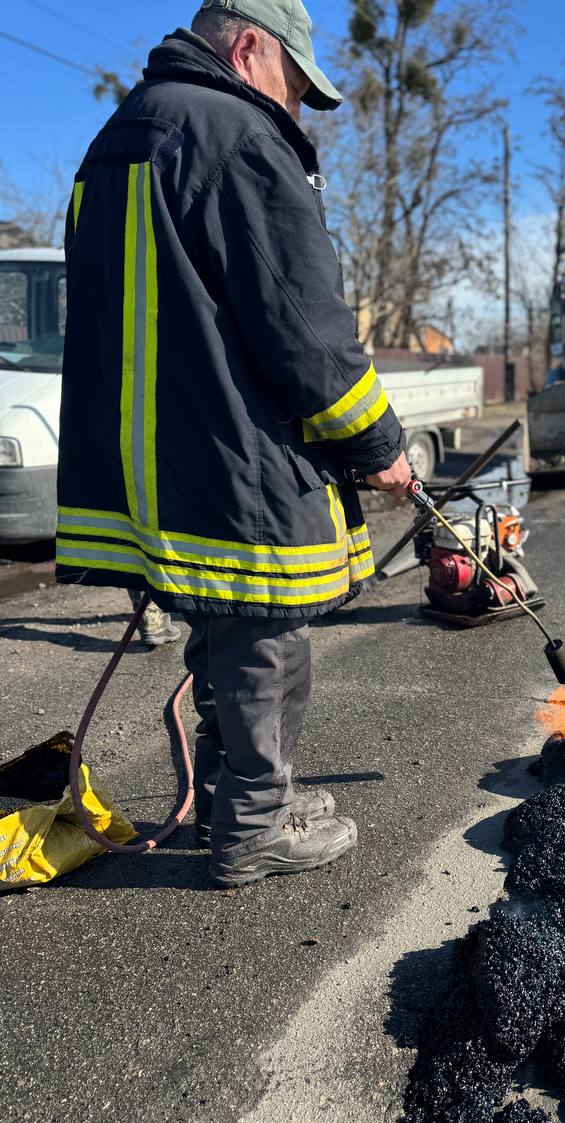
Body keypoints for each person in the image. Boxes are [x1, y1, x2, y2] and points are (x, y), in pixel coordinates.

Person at [56, 0, 411, 888]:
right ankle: (253, 827)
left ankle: (237, 796)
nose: (292, 107)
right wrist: (378, 444)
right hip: (232, 446)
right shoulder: (238, 136)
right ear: (249, 48)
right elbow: (304, 327)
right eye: (292, 85)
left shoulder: (119, 139)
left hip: (148, 461)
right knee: (264, 627)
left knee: (220, 623)